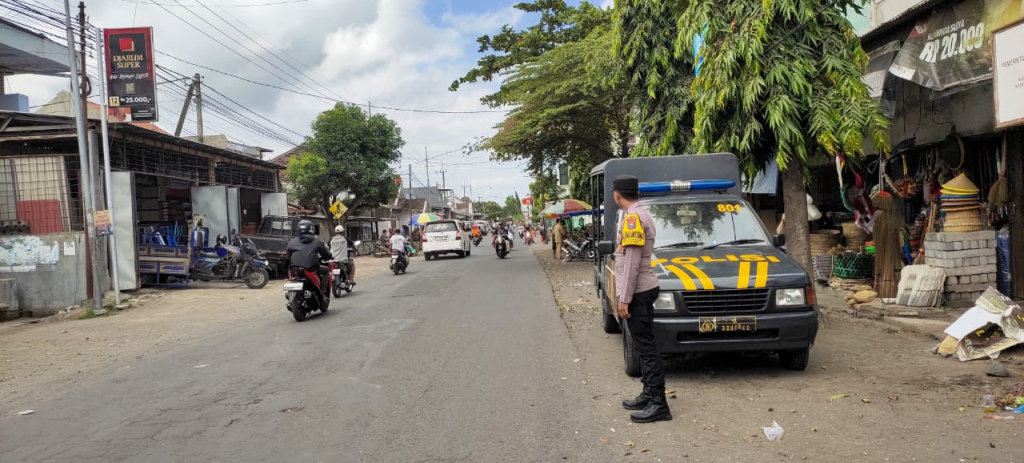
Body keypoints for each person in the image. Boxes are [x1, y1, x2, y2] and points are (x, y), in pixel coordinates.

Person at [612, 175, 669, 423]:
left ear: (617, 195)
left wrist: (624, 299)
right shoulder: (637, 214)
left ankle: (659, 403)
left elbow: (632, 262)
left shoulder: (633, 219)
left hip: (637, 292)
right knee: (643, 346)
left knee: (647, 349)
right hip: (643, 288)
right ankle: (648, 393)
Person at [286, 220, 333, 296]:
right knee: (326, 270)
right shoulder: (316, 242)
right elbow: (325, 254)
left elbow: (288, 255)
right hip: (311, 268)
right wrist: (328, 257)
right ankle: (323, 292)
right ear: (311, 229)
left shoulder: (292, 242)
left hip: (294, 268)